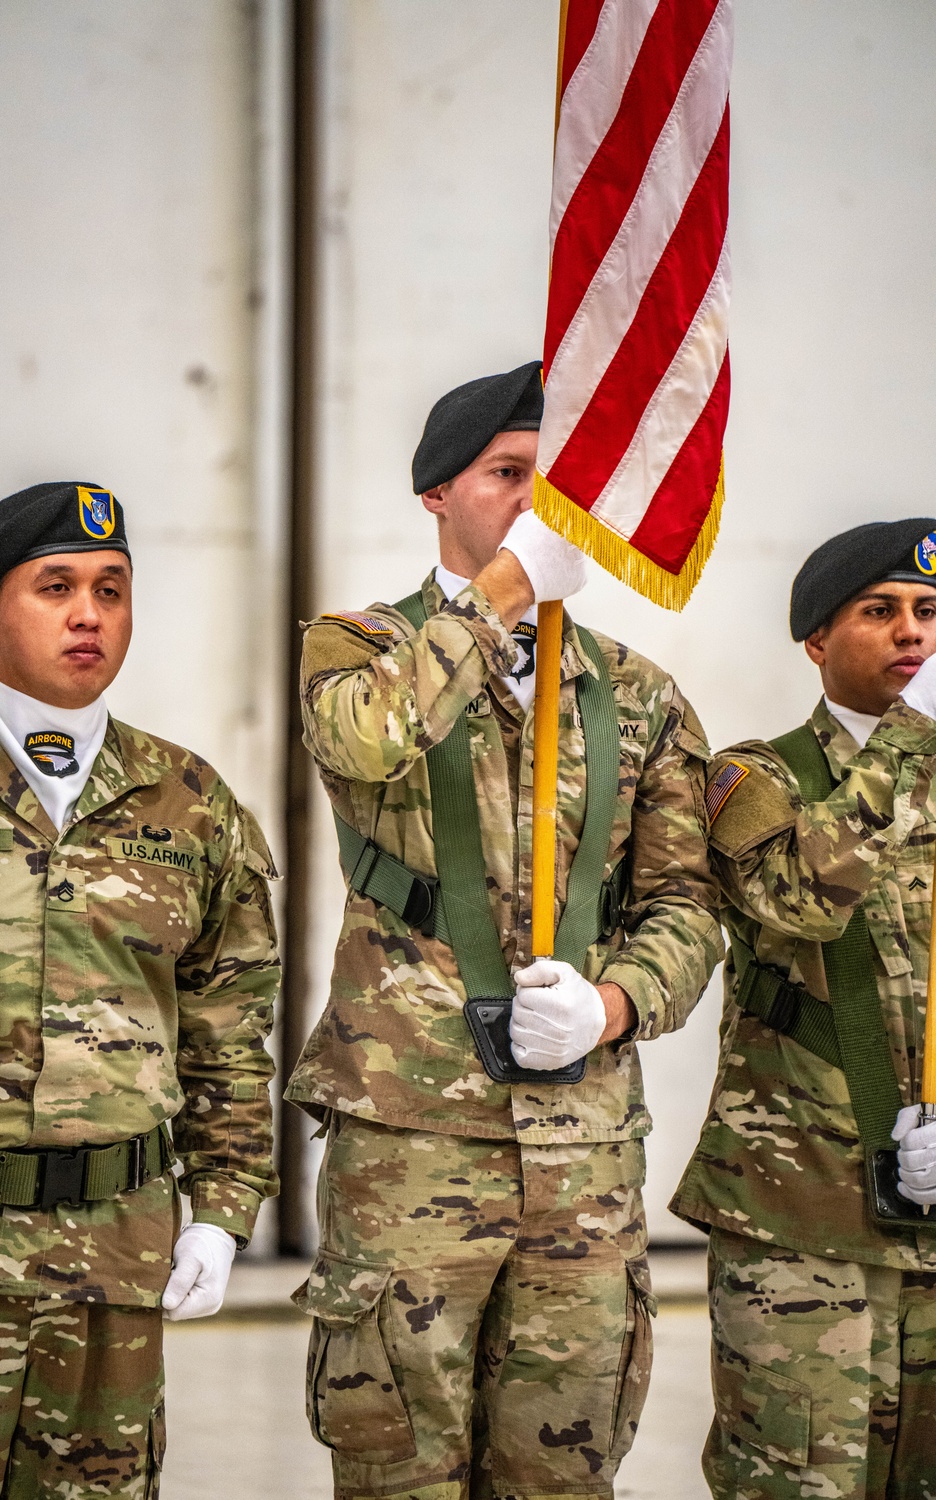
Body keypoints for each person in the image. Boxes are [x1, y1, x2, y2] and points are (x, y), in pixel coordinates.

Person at [286, 362, 723, 1500]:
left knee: (560, 1474)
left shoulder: (637, 695)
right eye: (508, 477)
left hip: (580, 1146)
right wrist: (502, 593)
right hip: (408, 1133)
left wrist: (615, 1001)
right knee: (401, 1470)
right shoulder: (355, 646)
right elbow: (369, 742)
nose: (536, 509)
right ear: (437, 493)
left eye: (556, 492)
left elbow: (684, 904)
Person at [0, 482, 279, 1497]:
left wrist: (220, 1210)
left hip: (115, 1262)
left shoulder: (191, 803)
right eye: (55, 586)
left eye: (112, 588)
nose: (90, 613)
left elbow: (230, 1032)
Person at [672, 518, 936, 1499]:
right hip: (801, 1206)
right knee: (795, 1478)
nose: (911, 633)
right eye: (880, 612)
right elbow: (799, 902)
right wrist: (906, 743)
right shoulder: (757, 777)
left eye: (929, 613)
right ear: (816, 642)